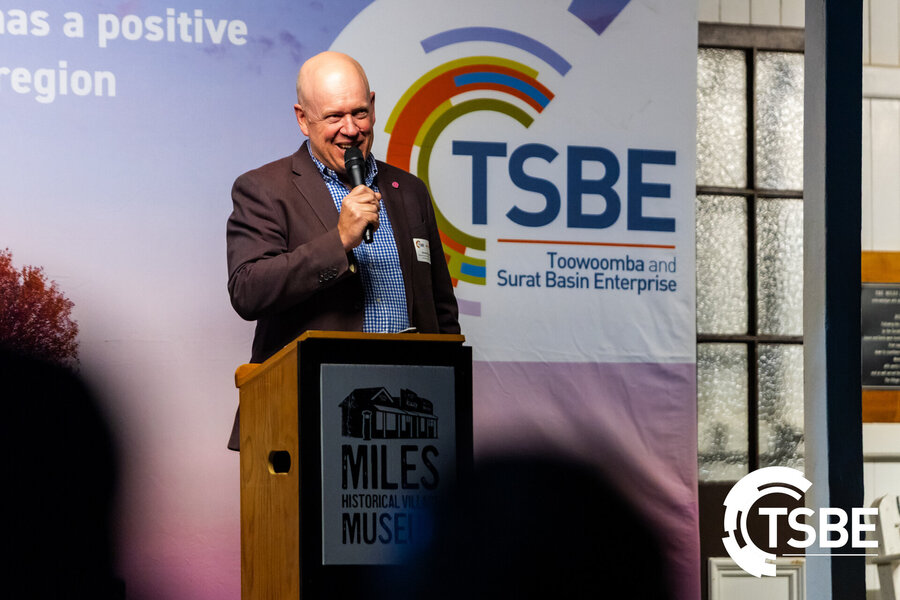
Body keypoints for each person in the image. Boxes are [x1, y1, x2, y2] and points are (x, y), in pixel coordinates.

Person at [225, 51, 460, 450]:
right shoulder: (264, 189)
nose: (351, 130)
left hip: (408, 416)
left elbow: (441, 310)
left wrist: (447, 397)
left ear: (373, 106)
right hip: (307, 416)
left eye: (359, 113)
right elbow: (248, 291)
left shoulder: (410, 190)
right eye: (334, 116)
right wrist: (339, 240)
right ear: (303, 119)